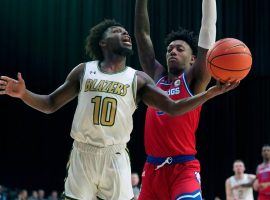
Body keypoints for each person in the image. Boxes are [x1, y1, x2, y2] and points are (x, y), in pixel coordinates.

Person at [0, 19, 237, 200]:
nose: (124, 33)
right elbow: (51, 104)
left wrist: (209, 93)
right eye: (116, 31)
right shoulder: (84, 70)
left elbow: (173, 108)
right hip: (83, 153)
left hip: (116, 156)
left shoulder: (139, 79)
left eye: (126, 31)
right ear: (102, 42)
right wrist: (24, 94)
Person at [135, 0, 226, 199]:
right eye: (169, 49)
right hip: (152, 169)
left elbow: (208, 27)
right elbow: (142, 36)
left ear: (193, 59)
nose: (172, 52)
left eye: (179, 49)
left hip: (183, 167)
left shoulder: (195, 80)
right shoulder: (157, 77)